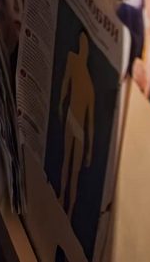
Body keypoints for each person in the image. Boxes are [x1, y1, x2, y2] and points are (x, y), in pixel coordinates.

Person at [58, 32, 95, 217]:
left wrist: (89, 151)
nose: (83, 47)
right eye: (82, 43)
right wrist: (60, 103)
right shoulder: (72, 60)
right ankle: (60, 197)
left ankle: (70, 210)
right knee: (66, 161)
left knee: (74, 172)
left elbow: (90, 123)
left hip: (79, 127)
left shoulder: (89, 86)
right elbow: (65, 82)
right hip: (72, 118)